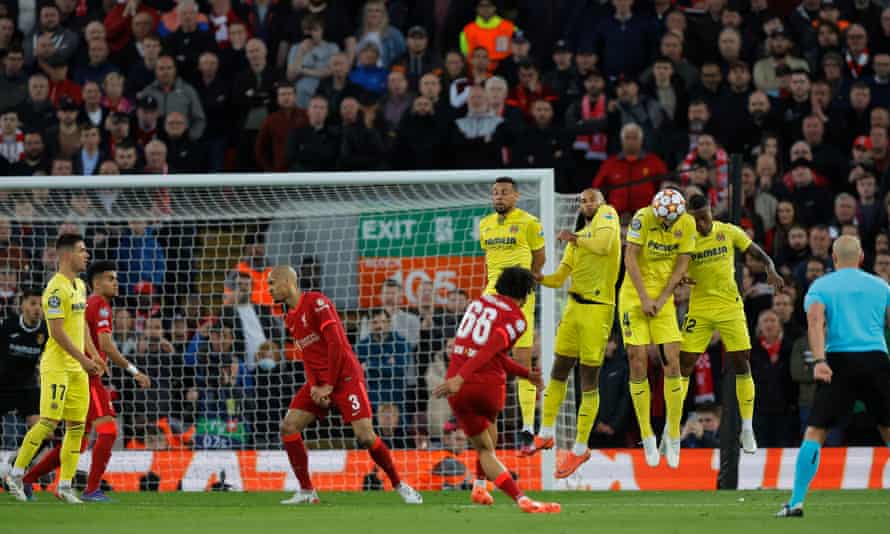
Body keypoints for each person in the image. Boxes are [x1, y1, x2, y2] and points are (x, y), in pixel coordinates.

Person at [266, 265, 422, 505]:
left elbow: (337, 344)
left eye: (272, 283)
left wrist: (329, 384)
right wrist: (315, 386)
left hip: (346, 378)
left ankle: (400, 484)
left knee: (366, 436)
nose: (269, 289)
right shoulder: (290, 316)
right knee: (288, 427)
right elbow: (308, 356)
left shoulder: (317, 302)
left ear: (287, 282)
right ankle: (307, 492)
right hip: (320, 383)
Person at [777, 236, 890, 517]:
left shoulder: (822, 286)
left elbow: (816, 321)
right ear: (862, 256)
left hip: (839, 360)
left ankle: (796, 502)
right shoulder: (881, 286)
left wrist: (819, 360)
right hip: (876, 358)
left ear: (834, 258)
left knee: (816, 431)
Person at [21, 260, 151, 501]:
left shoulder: (87, 303)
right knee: (109, 431)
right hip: (87, 377)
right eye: (111, 278)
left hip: (83, 373)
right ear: (97, 282)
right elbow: (105, 345)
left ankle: (28, 479)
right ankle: (92, 489)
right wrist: (134, 371)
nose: (116, 283)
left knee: (78, 443)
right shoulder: (100, 304)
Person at [433, 266, 558, 514]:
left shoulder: (479, 303)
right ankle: (521, 499)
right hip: (486, 387)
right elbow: (491, 349)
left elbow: (492, 352)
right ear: (525, 295)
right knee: (487, 447)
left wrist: (526, 374)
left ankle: (479, 487)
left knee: (487, 443)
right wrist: (462, 377)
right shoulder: (517, 319)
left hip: (460, 387)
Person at [679, 194, 783, 457]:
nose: (701, 224)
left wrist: (770, 268)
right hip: (699, 310)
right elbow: (671, 269)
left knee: (741, 363)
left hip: (730, 307)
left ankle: (746, 428)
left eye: (704, 217)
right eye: (695, 219)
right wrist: (681, 278)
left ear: (711, 211)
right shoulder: (685, 241)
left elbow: (757, 252)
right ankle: (671, 429)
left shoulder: (729, 232)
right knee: (683, 365)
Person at [4, 234, 105, 504]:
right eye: (82, 251)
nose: (87, 255)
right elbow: (58, 332)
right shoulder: (55, 289)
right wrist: (84, 360)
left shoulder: (81, 286)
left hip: (78, 367)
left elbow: (81, 325)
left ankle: (64, 485)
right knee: (49, 421)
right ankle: (15, 472)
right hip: (57, 365)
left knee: (77, 427)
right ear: (66, 255)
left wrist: (94, 354)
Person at [534, 189, 621, 478]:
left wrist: (574, 238)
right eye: (583, 201)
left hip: (598, 308)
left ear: (602, 202)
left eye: (591, 199)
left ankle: (580, 446)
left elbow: (605, 245)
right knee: (558, 368)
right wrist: (537, 278)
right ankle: (546, 431)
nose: (586, 204)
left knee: (588, 378)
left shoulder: (608, 218)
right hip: (573, 307)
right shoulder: (579, 236)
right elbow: (559, 277)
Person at [620, 188, 696, 469]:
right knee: (636, 359)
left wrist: (662, 299)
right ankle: (646, 433)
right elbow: (630, 259)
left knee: (673, 363)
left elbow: (681, 266)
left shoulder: (685, 223)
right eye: (664, 220)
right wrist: (643, 298)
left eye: (671, 221)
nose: (667, 225)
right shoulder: (643, 218)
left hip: (663, 296)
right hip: (633, 295)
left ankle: (673, 433)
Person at [478, 176, 545, 454]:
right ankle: (483, 415)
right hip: (492, 294)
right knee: (482, 354)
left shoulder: (530, 222)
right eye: (494, 193)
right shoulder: (485, 225)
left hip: (520, 295)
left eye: (504, 193)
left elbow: (540, 255)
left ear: (516, 196)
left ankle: (528, 425)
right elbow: (488, 262)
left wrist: (529, 280)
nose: (498, 197)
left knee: (522, 358)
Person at [0, 287, 47, 440]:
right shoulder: (8, 326)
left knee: (45, 434)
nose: (37, 308)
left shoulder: (46, 331)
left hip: (28, 387)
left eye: (41, 305)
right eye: (33, 303)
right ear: (22, 305)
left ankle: (21, 458)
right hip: (4, 385)